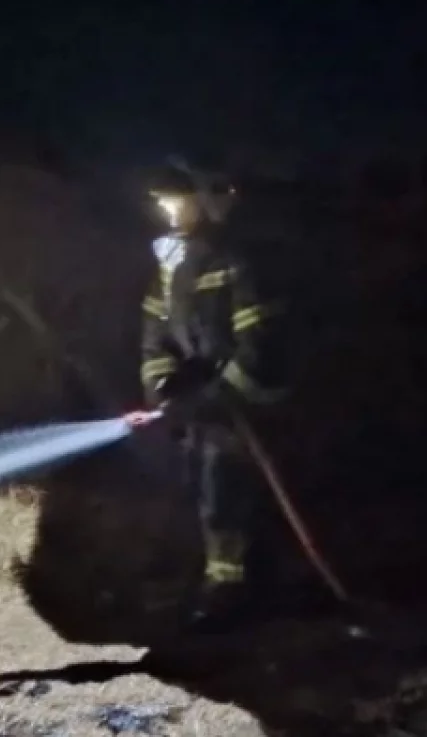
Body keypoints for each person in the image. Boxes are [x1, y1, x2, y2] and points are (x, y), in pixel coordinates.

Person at [139, 159, 288, 631]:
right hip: (202, 404)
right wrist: (164, 389)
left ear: (206, 201)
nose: (169, 212)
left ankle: (236, 592)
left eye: (177, 203)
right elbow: (154, 337)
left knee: (226, 488)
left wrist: (224, 394)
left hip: (246, 406)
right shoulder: (170, 264)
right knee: (198, 488)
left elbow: (260, 341)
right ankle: (212, 581)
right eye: (164, 204)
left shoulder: (238, 259)